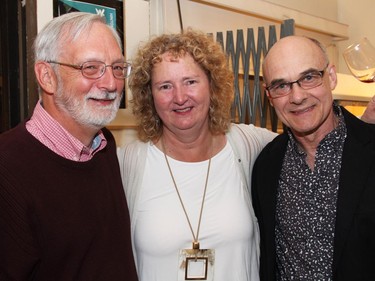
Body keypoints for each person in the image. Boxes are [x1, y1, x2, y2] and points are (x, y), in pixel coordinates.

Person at [117, 30, 277, 281]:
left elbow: (315, 142)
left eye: (190, 82)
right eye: (165, 86)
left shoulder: (249, 145)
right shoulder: (127, 164)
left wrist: (363, 127)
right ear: (150, 96)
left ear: (212, 86)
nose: (179, 98)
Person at [0, 12, 138, 280]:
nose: (111, 84)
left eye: (118, 68)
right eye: (90, 67)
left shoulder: (103, 146)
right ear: (47, 76)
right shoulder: (7, 169)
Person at [252, 35, 375, 281]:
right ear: (269, 96)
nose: (297, 96)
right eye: (281, 86)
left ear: (331, 76)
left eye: (308, 77)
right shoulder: (266, 164)